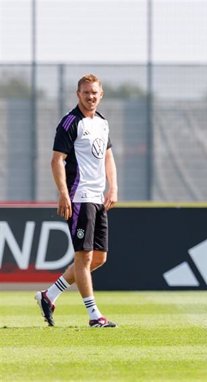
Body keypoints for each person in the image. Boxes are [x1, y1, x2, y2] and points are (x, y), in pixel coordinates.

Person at [35, 74, 118, 328]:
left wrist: (112, 187)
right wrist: (63, 193)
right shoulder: (70, 122)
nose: (90, 97)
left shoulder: (102, 123)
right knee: (83, 257)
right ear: (78, 94)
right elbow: (56, 160)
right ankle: (94, 316)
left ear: (101, 94)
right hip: (79, 196)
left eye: (94, 92)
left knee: (99, 258)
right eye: (86, 93)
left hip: (97, 198)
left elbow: (107, 157)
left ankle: (49, 296)